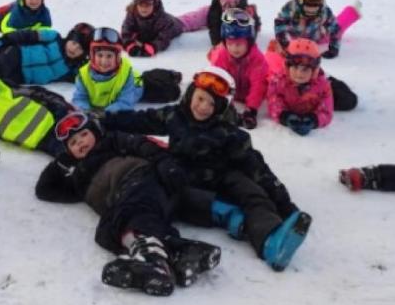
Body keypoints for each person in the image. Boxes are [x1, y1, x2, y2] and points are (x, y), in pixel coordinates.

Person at [103, 67, 312, 272]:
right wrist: (105, 120)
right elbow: (140, 120)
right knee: (166, 190)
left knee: (252, 192)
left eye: (212, 104)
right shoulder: (174, 116)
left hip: (220, 176)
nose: (203, 107)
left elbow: (256, 167)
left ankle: (271, 241)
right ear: (191, 93)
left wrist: (284, 203)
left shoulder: (230, 133)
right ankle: (226, 220)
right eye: (200, 98)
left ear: (221, 108)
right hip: (182, 175)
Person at [34, 111, 222, 296]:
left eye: (84, 134)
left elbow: (141, 144)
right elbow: (44, 189)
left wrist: (164, 162)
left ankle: (153, 260)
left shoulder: (111, 141)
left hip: (141, 178)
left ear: (96, 132)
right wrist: (61, 162)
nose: (81, 142)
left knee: (135, 209)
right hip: (121, 202)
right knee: (106, 232)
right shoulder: (78, 178)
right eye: (73, 143)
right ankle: (181, 252)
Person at [266, 38, 358, 134]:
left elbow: (326, 111)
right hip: (279, 70)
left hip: (318, 83)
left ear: (314, 70)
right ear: (287, 66)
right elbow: (274, 104)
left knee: (349, 101)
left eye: (305, 69)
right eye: (295, 67)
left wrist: (313, 120)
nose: (299, 73)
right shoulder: (277, 81)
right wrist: (285, 116)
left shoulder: (323, 86)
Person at [206, 8, 268, 129]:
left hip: (247, 93)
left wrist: (251, 110)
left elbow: (259, 86)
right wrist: (226, 106)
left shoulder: (257, 60)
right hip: (231, 91)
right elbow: (217, 81)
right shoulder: (221, 57)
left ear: (249, 42)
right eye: (230, 43)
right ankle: (213, 51)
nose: (234, 48)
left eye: (239, 44)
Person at [270, 0, 358, 62]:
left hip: (318, 38)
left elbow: (335, 30)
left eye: (316, 4)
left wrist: (334, 48)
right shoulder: (290, 8)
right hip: (294, 38)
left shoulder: (324, 11)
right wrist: (283, 42)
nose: (312, 9)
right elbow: (280, 23)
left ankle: (352, 11)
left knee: (339, 24)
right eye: (309, 5)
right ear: (300, 0)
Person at [0, 23, 92, 86]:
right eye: (73, 43)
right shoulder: (54, 37)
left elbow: (90, 79)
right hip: (17, 56)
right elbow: (26, 35)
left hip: (22, 77)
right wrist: (3, 41)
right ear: (69, 38)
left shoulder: (72, 69)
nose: (74, 49)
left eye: (79, 49)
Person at [72, 28, 145, 114]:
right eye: (100, 55)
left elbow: (126, 102)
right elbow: (79, 99)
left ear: (117, 57)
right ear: (92, 56)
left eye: (109, 56)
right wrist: (86, 111)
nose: (104, 61)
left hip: (136, 85)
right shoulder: (83, 75)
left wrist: (105, 114)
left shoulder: (126, 74)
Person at [177, 0, 262, 47]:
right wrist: (173, 25)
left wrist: (253, 20)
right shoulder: (211, 11)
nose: (225, 3)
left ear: (238, 0)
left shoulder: (246, 15)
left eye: (230, 1)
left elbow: (251, 38)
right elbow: (188, 20)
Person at [119, 0, 184, 57]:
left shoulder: (163, 20)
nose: (144, 8)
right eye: (140, 4)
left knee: (190, 20)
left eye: (148, 4)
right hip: (151, 32)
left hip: (178, 24)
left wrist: (153, 47)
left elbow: (164, 39)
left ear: (155, 4)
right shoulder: (131, 14)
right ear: (135, 4)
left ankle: (201, 15)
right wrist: (129, 45)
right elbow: (125, 32)